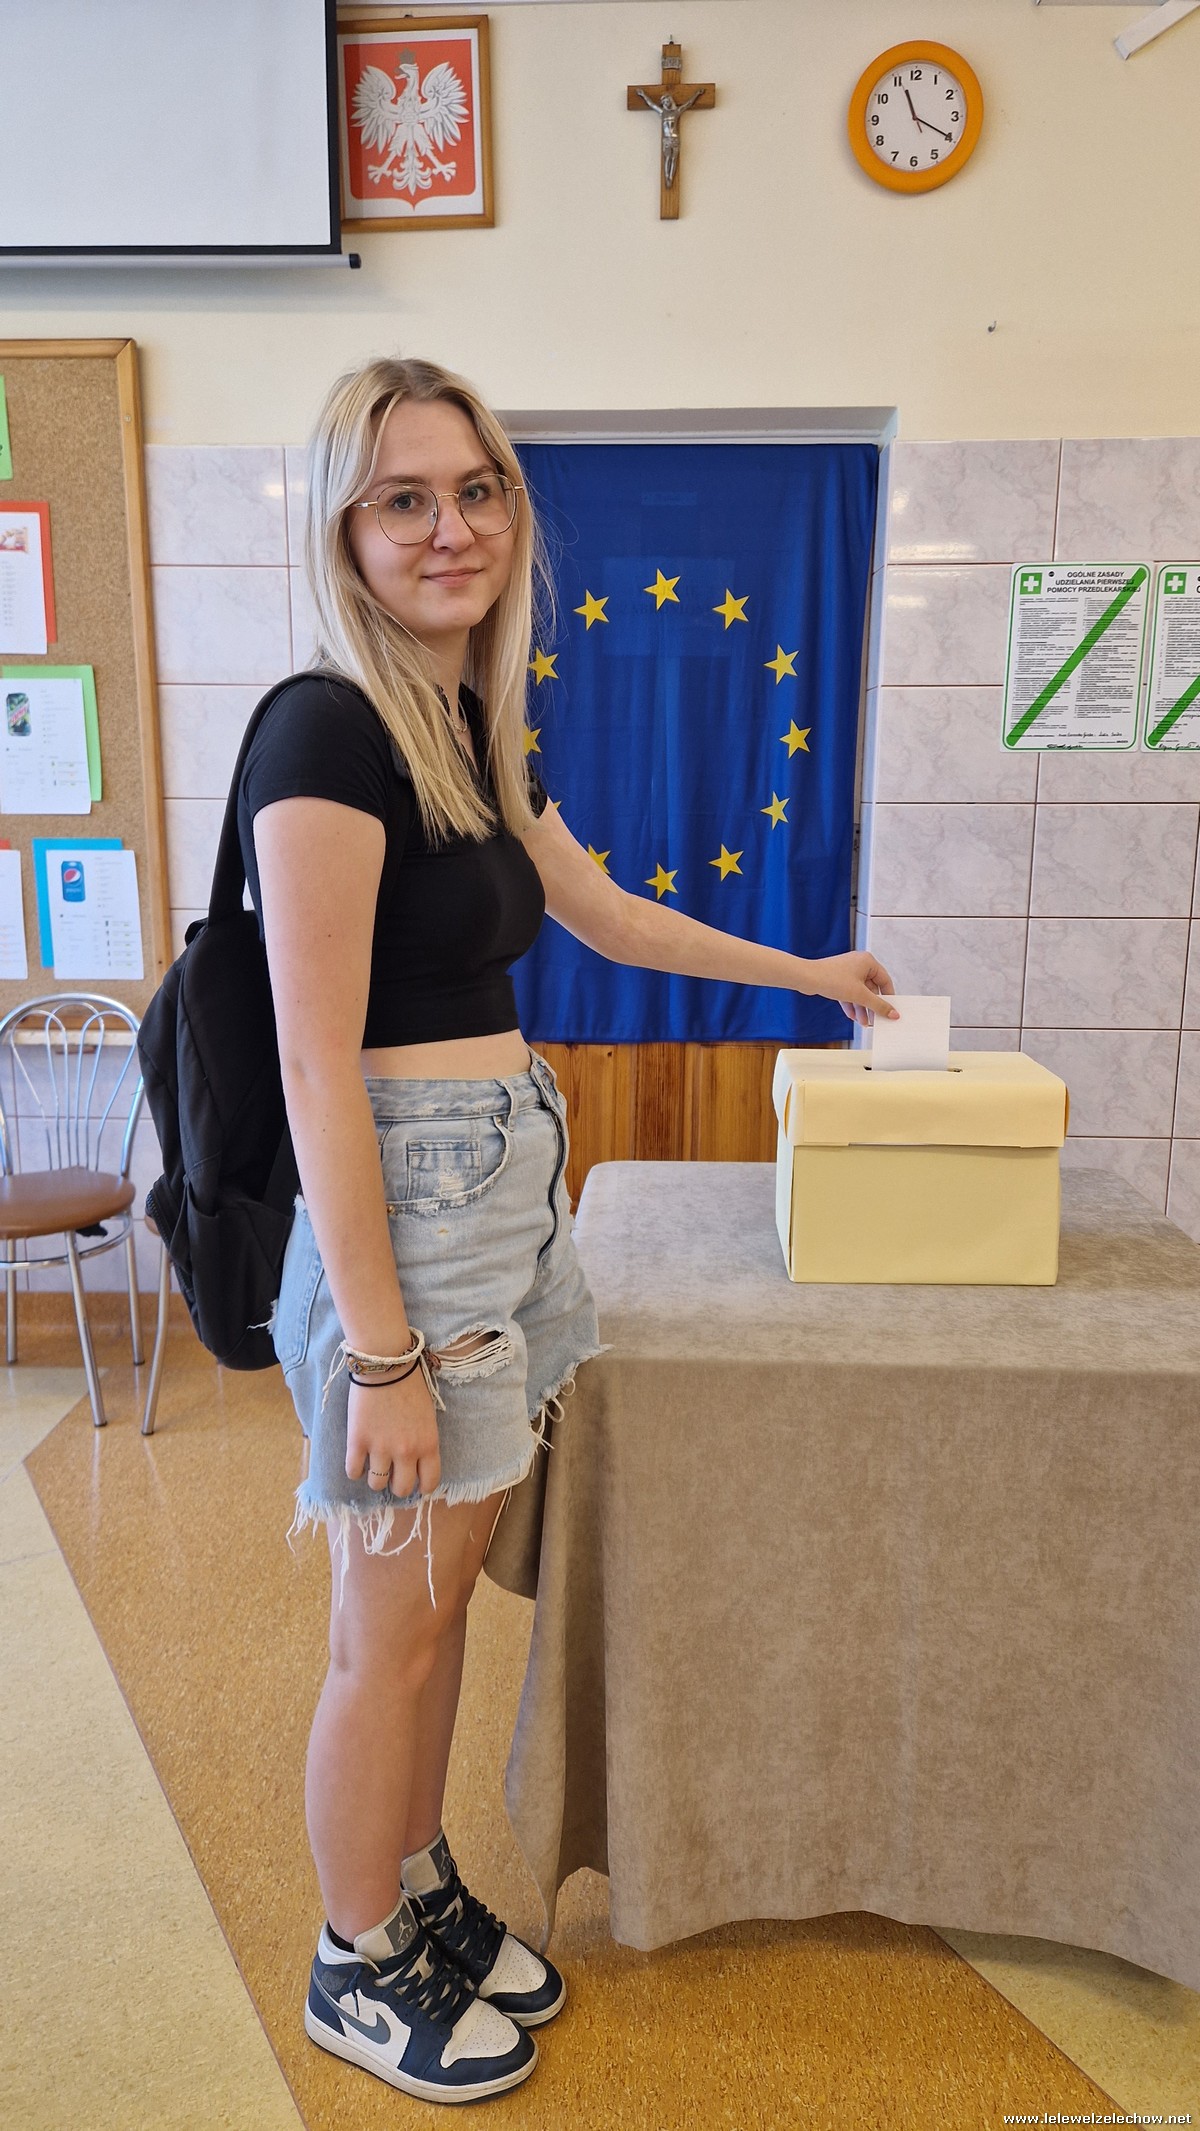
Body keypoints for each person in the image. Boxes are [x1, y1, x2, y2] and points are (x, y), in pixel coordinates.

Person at [239, 354, 896, 2106]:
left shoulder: (462, 720)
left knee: (443, 1609)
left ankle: (414, 1885)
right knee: (387, 1632)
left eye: (477, 490)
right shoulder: (322, 731)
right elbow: (311, 1064)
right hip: (408, 1226)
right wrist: (381, 1350)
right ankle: (351, 1956)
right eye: (404, 499)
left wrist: (810, 971)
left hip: (502, 1198)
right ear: (344, 529)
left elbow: (596, 905)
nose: (450, 527)